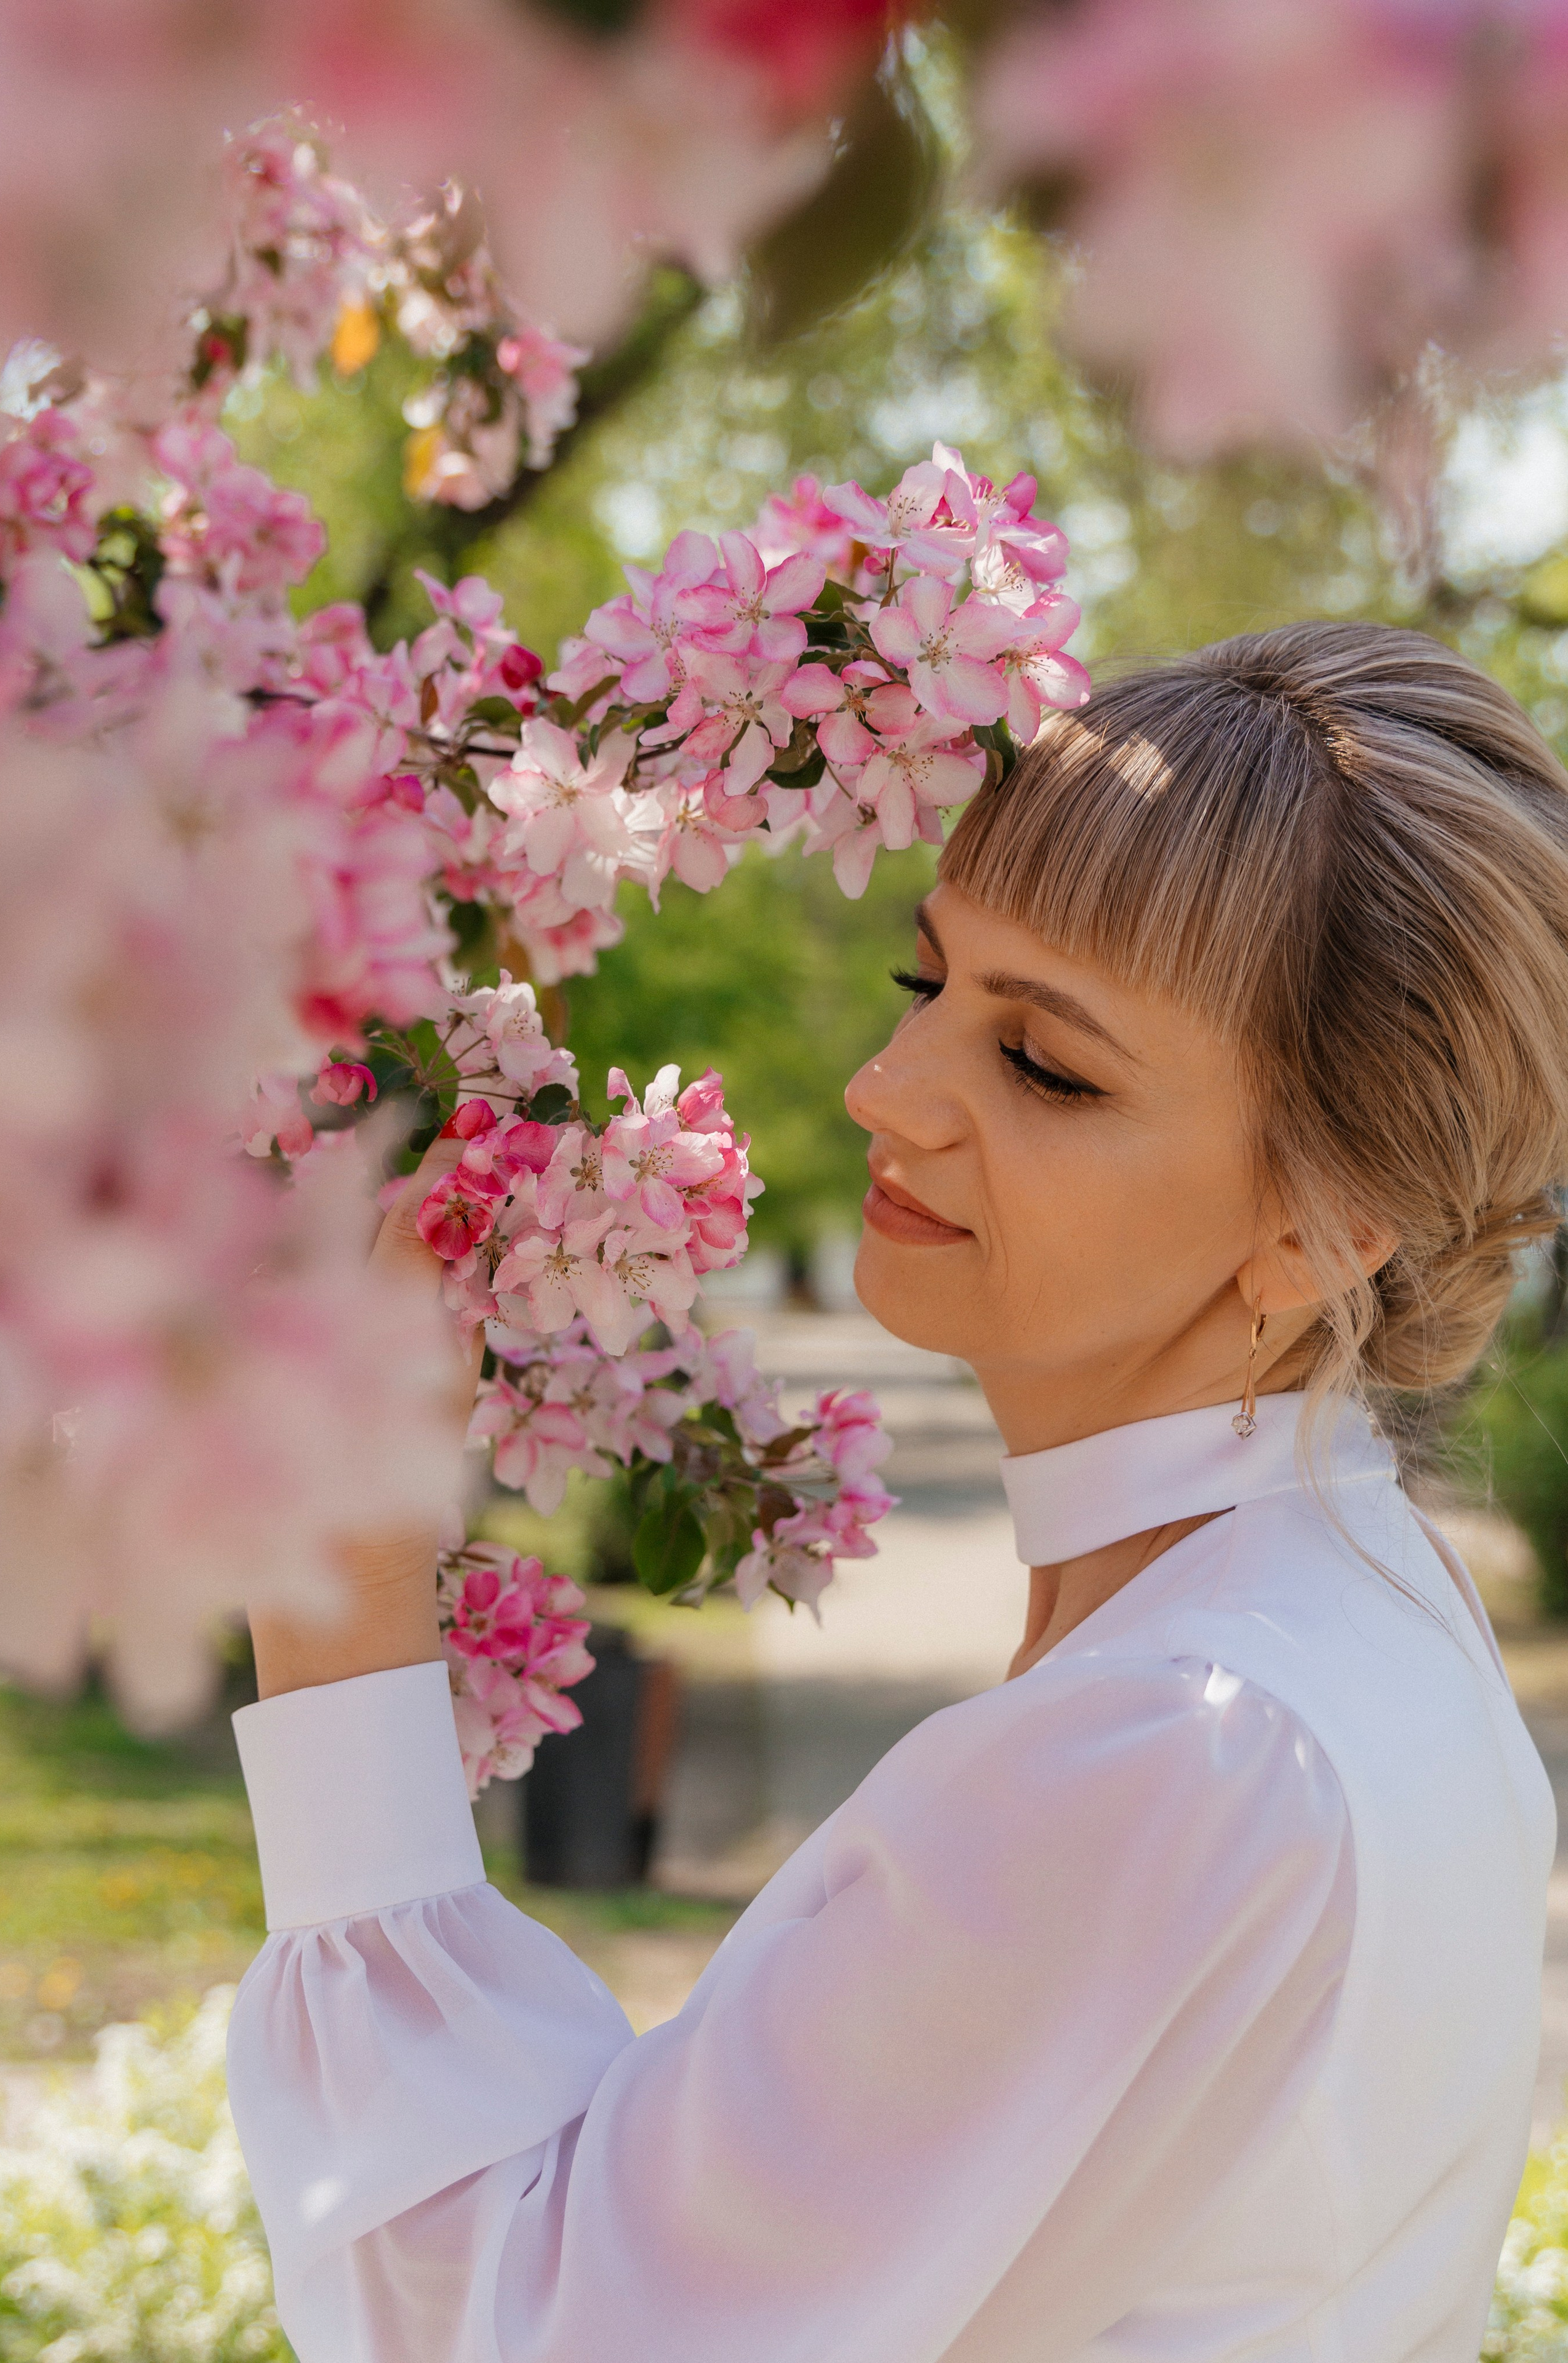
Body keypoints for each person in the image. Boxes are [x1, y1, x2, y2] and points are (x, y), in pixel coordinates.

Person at [227, 620, 1564, 2363]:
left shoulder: (1183, 1745)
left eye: (1044, 1065)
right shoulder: (1367, 1617)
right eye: (924, 986)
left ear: (1320, 1231)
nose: (885, 1091)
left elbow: (533, 2330)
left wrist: (335, 1580)